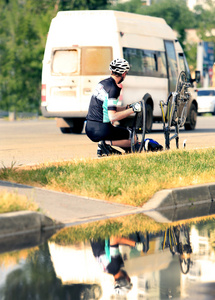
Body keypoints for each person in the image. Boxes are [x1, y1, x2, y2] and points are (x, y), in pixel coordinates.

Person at [85, 58, 142, 157]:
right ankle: (106, 144)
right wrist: (133, 110)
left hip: (89, 127)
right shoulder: (114, 88)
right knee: (133, 137)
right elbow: (113, 117)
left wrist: (126, 108)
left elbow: (106, 108)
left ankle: (107, 146)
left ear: (111, 71)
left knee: (122, 133)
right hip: (102, 129)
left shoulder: (102, 84)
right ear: (124, 74)